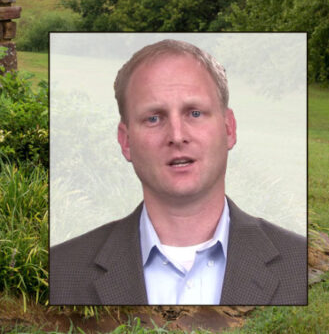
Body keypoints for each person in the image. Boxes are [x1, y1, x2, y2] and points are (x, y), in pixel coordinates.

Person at [48, 39, 306, 305]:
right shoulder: (59, 271)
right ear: (126, 142)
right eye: (153, 118)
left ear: (229, 128)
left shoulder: (302, 266)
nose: (177, 135)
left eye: (194, 113)